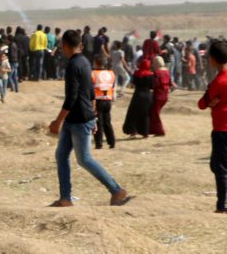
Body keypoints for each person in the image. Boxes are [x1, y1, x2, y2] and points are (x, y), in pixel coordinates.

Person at [49, 29, 131, 208]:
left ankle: (116, 190)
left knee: (84, 158)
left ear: (64, 46)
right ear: (81, 45)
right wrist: (93, 116)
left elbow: (72, 97)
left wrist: (57, 121)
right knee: (61, 155)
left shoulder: (73, 65)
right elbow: (91, 91)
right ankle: (65, 198)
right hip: (78, 118)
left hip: (78, 119)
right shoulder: (85, 62)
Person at [197, 41, 227, 213]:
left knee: (219, 167)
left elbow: (202, 103)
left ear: (213, 59)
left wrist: (214, 103)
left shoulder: (218, 81)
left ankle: (222, 204)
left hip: (222, 129)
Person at [123, 40, 159, 139]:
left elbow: (132, 85)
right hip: (147, 96)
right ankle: (146, 133)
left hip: (137, 95)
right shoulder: (151, 75)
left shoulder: (136, 74)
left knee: (133, 114)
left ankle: (133, 132)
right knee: (146, 115)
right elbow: (153, 86)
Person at [92, 55, 117, 150]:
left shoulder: (93, 73)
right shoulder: (111, 73)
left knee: (98, 123)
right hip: (108, 100)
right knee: (107, 122)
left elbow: (90, 87)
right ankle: (112, 142)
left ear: (96, 63)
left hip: (98, 100)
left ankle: (99, 143)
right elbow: (113, 86)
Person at [150, 57, 172, 137]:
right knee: (155, 113)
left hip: (158, 95)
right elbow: (170, 83)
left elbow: (155, 84)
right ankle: (153, 130)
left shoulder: (156, 72)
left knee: (154, 114)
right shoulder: (166, 71)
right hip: (165, 95)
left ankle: (160, 131)